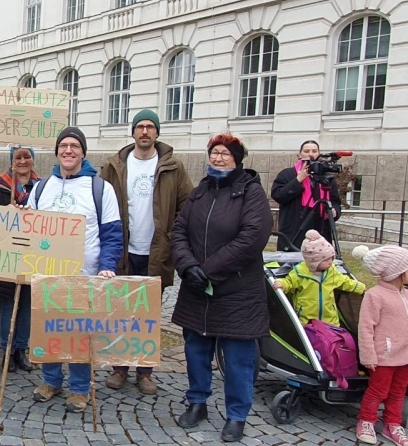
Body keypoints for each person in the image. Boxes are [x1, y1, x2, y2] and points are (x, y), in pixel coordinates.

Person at [171, 133, 272, 443]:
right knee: (195, 351)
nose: (218, 158)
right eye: (214, 152)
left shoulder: (251, 193)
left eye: (225, 154)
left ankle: (237, 415)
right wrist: (188, 267)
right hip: (196, 289)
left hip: (237, 291)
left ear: (237, 158)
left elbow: (252, 238)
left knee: (239, 358)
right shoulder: (200, 191)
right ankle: (197, 401)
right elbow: (178, 231)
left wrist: (209, 270)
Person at [27, 127, 122, 414]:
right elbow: (28, 228)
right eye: (63, 146)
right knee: (50, 330)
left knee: (80, 334)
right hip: (48, 275)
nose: (68, 151)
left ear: (83, 152)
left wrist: (107, 266)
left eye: (74, 146)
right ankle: (51, 380)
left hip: (85, 275)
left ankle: (80, 388)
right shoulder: (42, 187)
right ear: (56, 152)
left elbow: (113, 233)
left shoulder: (100, 188)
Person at [98, 109, 193, 395]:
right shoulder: (115, 166)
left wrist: (172, 237)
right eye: (140, 127)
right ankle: (119, 367)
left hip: (155, 252)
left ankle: (145, 372)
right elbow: (98, 198)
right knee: (120, 312)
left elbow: (186, 206)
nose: (144, 132)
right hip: (123, 251)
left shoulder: (173, 167)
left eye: (150, 127)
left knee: (147, 314)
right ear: (133, 132)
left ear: (157, 133)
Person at [0, 146, 40, 373]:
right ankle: (6, 351)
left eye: (27, 157)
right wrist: (6, 211)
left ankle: (21, 350)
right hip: (7, 254)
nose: (23, 161)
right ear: (11, 161)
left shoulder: (41, 186)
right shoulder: (0, 186)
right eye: (18, 157)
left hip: (33, 253)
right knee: (9, 303)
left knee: (26, 304)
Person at [351, 244, 408, 446]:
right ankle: (366, 420)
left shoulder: (405, 294)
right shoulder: (375, 295)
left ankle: (393, 423)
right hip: (384, 356)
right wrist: (368, 356)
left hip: (405, 356)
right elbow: (366, 328)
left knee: (398, 391)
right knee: (378, 390)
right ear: (397, 272)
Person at [272, 229, 365, 326]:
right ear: (313, 262)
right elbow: (289, 282)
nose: (330, 262)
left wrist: (359, 287)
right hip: (307, 321)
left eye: (331, 258)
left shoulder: (332, 272)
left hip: (330, 320)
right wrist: (282, 284)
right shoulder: (300, 273)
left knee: (332, 339)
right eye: (326, 260)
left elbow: (345, 282)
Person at [271, 140, 343, 250]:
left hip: (321, 230)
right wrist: (298, 180)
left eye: (314, 151)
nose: (310, 154)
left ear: (319, 154)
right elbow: (278, 195)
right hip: (294, 231)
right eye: (306, 151)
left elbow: (335, 201)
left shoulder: (327, 177)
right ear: (299, 155)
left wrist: (334, 211)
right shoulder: (287, 174)